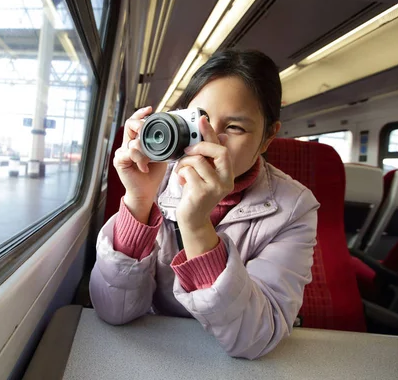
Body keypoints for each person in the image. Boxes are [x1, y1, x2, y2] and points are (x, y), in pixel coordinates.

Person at [89, 50, 320, 359]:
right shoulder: (156, 178)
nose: (209, 141)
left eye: (234, 128)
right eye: (199, 122)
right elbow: (113, 311)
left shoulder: (294, 207)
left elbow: (255, 338)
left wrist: (197, 226)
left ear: (267, 138)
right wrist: (140, 200)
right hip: (157, 348)